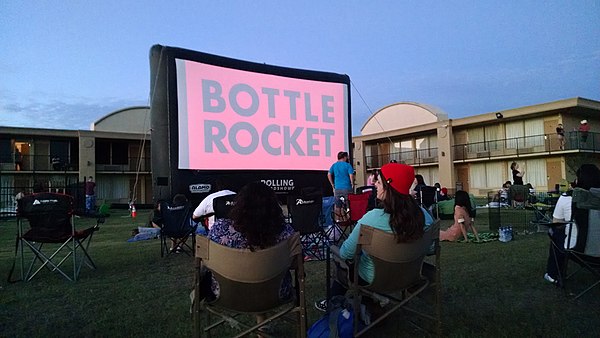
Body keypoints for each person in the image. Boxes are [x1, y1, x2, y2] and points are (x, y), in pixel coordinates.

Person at [315, 163, 434, 311]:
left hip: (374, 279)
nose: (374, 184)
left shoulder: (372, 220)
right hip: (409, 276)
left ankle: (332, 303)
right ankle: (369, 303)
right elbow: (430, 249)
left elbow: (346, 253)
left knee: (341, 262)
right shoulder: (425, 217)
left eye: (378, 181)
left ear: (388, 187)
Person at [207, 181, 296, 326]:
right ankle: (262, 325)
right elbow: (295, 265)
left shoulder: (219, 229)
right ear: (273, 207)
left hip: (227, 295)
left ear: (239, 205)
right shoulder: (285, 233)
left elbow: (207, 262)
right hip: (275, 295)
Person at [543, 164, 600, 284]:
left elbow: (556, 222)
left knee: (554, 231)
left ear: (578, 180)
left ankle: (553, 274)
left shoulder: (568, 198)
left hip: (579, 251)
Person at [328, 151, 355, 219]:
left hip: (337, 188)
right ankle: (349, 221)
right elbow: (351, 175)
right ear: (344, 157)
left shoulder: (334, 165)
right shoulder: (347, 165)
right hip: (347, 188)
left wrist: (332, 184)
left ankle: (338, 221)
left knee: (338, 206)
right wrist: (352, 183)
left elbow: (328, 174)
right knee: (349, 206)